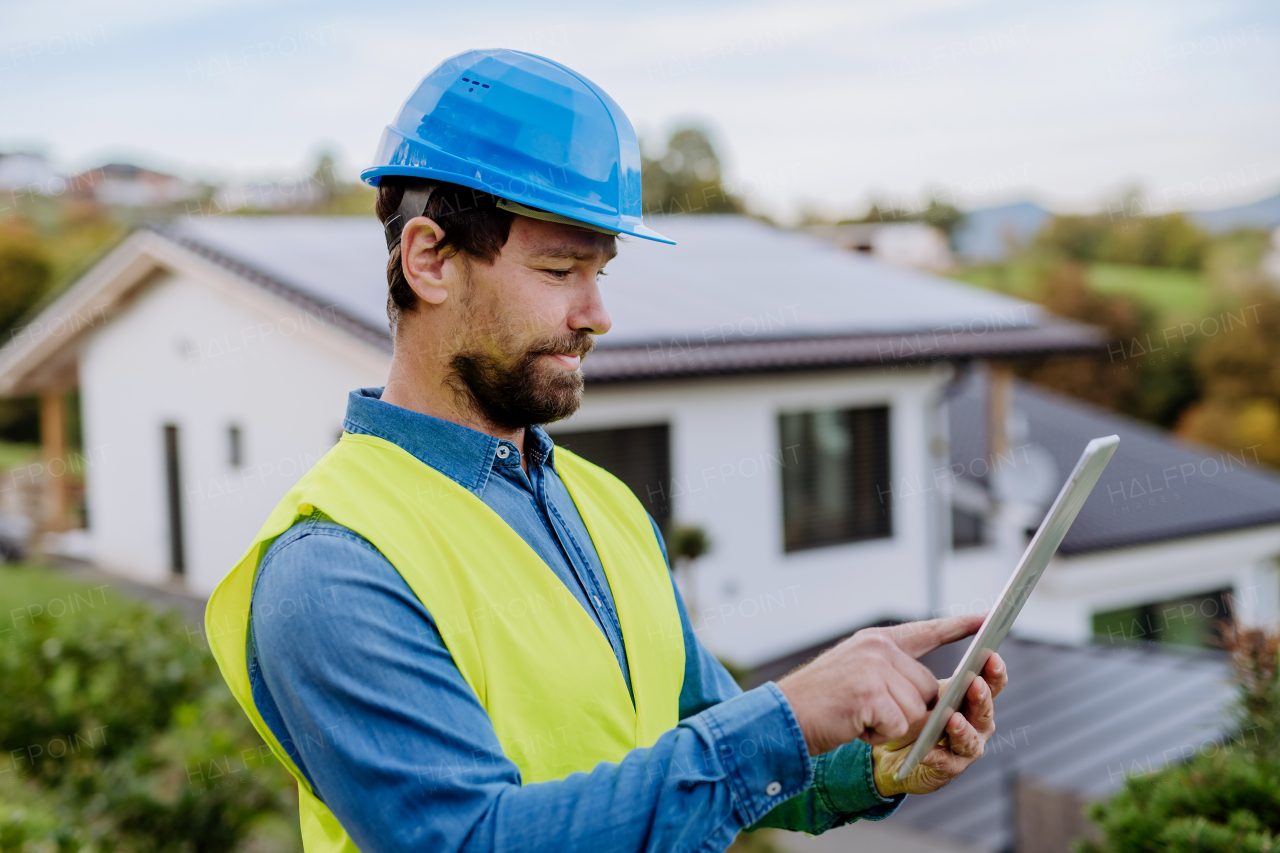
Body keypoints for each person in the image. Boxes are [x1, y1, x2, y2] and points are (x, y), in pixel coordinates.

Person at [205, 48, 1008, 853]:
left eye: (601, 272)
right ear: (430, 260)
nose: (597, 313)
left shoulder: (603, 505)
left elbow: (701, 751)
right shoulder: (334, 567)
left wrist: (877, 765)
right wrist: (788, 715)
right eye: (560, 269)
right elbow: (471, 840)